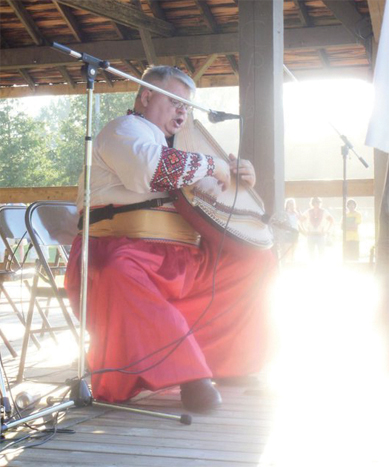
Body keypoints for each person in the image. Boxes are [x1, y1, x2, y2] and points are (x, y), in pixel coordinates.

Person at [65, 66, 276, 413]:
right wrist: (211, 165)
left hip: (181, 258)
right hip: (121, 248)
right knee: (119, 269)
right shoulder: (123, 129)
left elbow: (223, 203)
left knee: (254, 259)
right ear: (146, 96)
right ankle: (191, 376)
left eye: (187, 106)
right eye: (175, 100)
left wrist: (241, 181)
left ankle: (228, 364)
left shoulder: (180, 147)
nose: (183, 111)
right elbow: (151, 170)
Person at [300, 197, 334, 261]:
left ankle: (320, 266)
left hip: (320, 235)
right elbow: (300, 221)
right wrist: (304, 230)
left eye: (318, 203)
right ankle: (312, 266)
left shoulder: (324, 211)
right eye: (315, 203)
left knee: (321, 253)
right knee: (311, 253)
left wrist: (326, 230)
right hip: (311, 235)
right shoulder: (308, 212)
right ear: (312, 203)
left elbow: (331, 220)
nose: (316, 204)